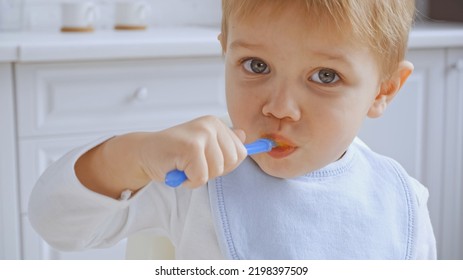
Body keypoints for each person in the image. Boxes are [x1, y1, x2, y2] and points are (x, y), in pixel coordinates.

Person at [29, 0, 436, 259]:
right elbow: (56, 223)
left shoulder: (403, 205)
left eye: (325, 76)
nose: (280, 108)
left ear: (384, 90)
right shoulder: (195, 179)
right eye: (256, 66)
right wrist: (136, 154)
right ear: (226, 52)